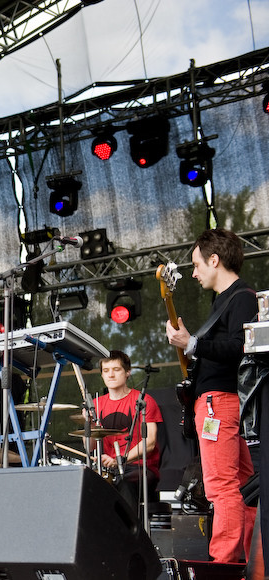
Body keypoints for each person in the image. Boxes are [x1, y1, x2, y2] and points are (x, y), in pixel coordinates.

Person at [166, 228, 257, 564]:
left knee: (221, 488)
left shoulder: (242, 296)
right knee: (245, 486)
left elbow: (238, 349)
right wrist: (190, 346)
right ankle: (249, 561)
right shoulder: (224, 300)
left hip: (220, 403)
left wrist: (192, 344)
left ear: (214, 259)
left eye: (196, 264)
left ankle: (224, 564)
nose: (193, 272)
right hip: (220, 401)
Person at [87, 350, 163, 514]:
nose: (111, 375)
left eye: (116, 369)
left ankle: (129, 536)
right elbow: (89, 447)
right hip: (109, 469)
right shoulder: (96, 405)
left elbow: (150, 441)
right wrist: (90, 424)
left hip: (139, 468)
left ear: (128, 372)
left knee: (125, 484)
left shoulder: (143, 401)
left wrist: (118, 459)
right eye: (106, 371)